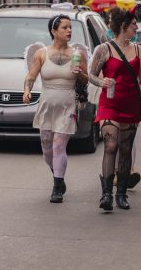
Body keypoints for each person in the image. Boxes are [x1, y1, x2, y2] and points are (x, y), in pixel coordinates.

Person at [23, 14, 93, 203]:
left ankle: (57, 187)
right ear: (53, 31)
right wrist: (27, 90)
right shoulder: (41, 54)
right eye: (64, 27)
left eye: (70, 27)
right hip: (46, 105)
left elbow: (87, 79)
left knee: (59, 146)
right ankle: (57, 173)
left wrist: (80, 75)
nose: (69, 30)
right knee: (47, 149)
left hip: (67, 105)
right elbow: (30, 76)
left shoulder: (78, 54)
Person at [89, 7, 141, 211]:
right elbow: (91, 74)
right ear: (123, 26)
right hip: (109, 105)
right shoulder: (104, 49)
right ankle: (106, 194)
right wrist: (101, 81)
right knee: (111, 145)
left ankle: (121, 194)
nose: (137, 27)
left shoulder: (139, 50)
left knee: (125, 150)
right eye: (134, 24)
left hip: (131, 106)